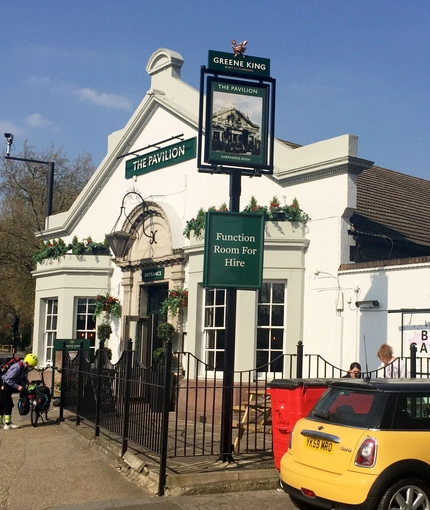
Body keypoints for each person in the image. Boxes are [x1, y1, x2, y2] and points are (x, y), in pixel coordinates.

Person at [0, 353, 38, 429]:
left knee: (2, 404)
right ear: (27, 363)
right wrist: (17, 386)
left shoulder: (23, 367)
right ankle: (7, 424)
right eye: (31, 366)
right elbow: (8, 379)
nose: (31, 368)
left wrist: (27, 382)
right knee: (8, 404)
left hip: (7, 386)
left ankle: (1, 422)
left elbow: (22, 377)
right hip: (4, 385)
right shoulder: (17, 367)